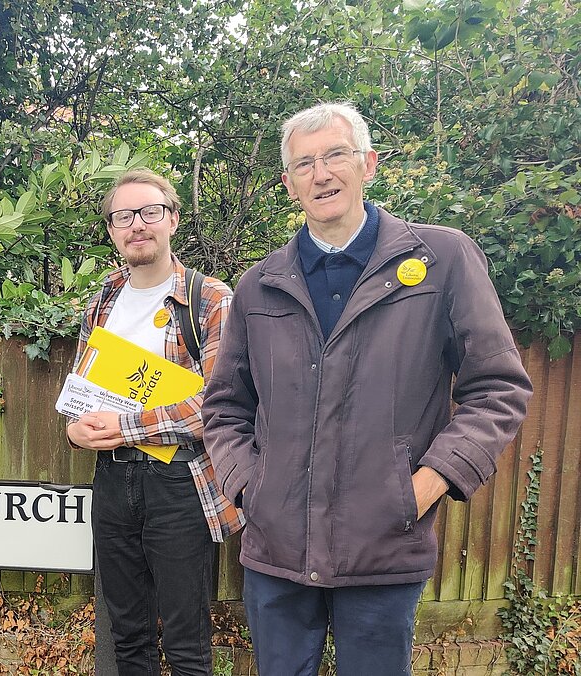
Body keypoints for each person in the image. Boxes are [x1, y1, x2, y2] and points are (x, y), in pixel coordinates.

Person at [202, 102, 533, 675]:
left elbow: (498, 388)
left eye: (335, 155)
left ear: (369, 165)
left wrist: (425, 486)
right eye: (304, 164)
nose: (320, 173)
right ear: (288, 183)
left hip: (382, 546)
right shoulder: (259, 285)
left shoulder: (441, 259)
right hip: (276, 550)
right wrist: (249, 488)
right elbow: (226, 407)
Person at [66, 169, 244, 675]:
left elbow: (215, 405)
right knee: (128, 639)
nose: (136, 225)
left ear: (173, 219)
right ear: (111, 230)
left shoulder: (211, 299)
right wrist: (76, 430)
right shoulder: (103, 298)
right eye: (123, 216)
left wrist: (124, 427)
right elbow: (82, 390)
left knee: (187, 644)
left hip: (180, 485)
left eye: (149, 212)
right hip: (113, 480)